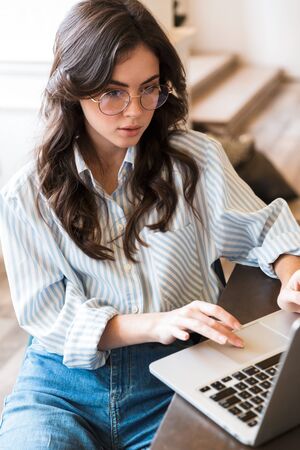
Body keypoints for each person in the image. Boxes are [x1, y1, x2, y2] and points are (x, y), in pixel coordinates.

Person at [1, 1, 300, 448]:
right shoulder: (27, 193)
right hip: (62, 388)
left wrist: (292, 275)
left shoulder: (196, 161)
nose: (135, 111)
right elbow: (47, 315)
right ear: (73, 88)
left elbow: (268, 228)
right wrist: (156, 323)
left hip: (180, 373)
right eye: (113, 92)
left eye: (149, 89)